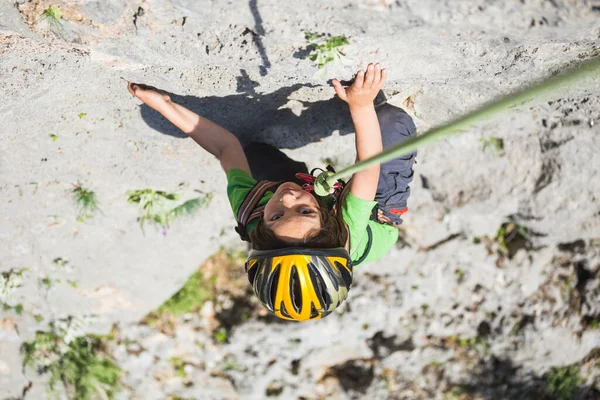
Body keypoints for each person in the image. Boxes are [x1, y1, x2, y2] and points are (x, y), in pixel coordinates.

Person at [127, 62, 416, 322]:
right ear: (330, 222)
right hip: (378, 213)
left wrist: (165, 106)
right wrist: (361, 105)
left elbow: (225, 148)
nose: (287, 198)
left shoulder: (252, 212)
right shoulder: (347, 227)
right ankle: (315, 196)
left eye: (276, 216)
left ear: (261, 232)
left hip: (317, 206)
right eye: (304, 211)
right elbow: (367, 166)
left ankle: (299, 188)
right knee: (390, 122)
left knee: (253, 155)